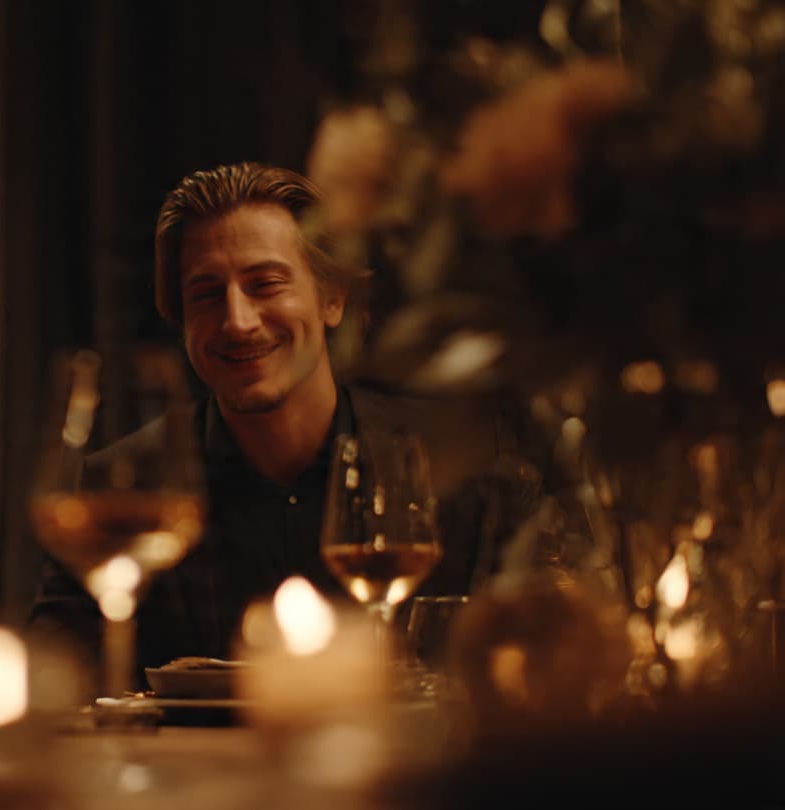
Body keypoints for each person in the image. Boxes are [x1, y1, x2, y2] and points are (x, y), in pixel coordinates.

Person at [29, 162, 523, 684]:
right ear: (181, 320)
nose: (237, 320)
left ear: (334, 299)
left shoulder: (458, 471)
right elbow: (57, 689)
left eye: (265, 284)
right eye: (206, 294)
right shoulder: (117, 494)